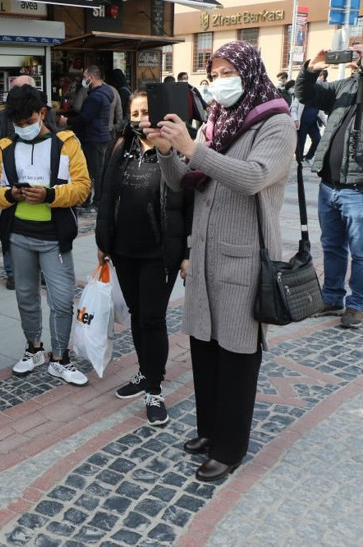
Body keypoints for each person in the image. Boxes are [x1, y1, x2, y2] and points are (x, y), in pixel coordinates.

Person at [143, 41, 296, 480]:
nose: (220, 80)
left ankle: (230, 448)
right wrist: (168, 149)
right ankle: (209, 431)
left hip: (245, 257)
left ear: (249, 72)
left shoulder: (276, 123)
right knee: (205, 349)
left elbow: (252, 178)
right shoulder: (217, 121)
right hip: (206, 253)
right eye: (215, 72)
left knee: (237, 355)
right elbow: (182, 183)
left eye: (229, 71)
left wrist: (193, 147)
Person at [96, 90, 193, 426]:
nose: (140, 119)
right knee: (137, 315)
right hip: (125, 249)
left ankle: (154, 387)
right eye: (135, 113)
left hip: (160, 252)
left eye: (146, 112)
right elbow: (106, 194)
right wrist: (103, 239)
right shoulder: (123, 146)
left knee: (152, 319)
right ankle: (144, 371)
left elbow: (193, 203)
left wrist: (188, 253)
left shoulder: (180, 149)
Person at [0, 85, 91, 385]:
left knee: (60, 300)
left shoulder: (66, 143)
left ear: (42, 114)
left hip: (55, 237)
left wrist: (49, 195)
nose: (23, 129)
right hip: (18, 235)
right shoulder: (6, 148)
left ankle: (60, 357)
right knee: (26, 297)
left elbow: (83, 187)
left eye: (28, 122)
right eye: (17, 124)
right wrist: (11, 194)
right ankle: (33, 348)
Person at [295, 47, 363, 328]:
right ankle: (332, 297)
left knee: (361, 252)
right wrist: (309, 71)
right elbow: (307, 95)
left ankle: (357, 304)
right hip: (329, 185)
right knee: (332, 245)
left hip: (358, 190)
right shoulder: (345, 85)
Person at [0, 74, 58, 291]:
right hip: (13, 191)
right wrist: (5, 161)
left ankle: (45, 270)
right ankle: (12, 273)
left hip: (47, 206)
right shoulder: (3, 117)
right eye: (17, 89)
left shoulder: (48, 114)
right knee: (10, 230)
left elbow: (54, 137)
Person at [62, 66, 113, 209]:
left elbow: (85, 118)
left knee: (95, 172)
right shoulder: (105, 93)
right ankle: (90, 200)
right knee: (95, 171)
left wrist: (67, 122)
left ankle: (96, 202)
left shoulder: (96, 96)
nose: (83, 79)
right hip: (100, 136)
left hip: (94, 137)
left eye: (85, 77)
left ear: (92, 77)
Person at [289, 94, 326, 165]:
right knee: (301, 142)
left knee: (317, 139)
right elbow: (293, 109)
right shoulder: (300, 96)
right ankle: (300, 159)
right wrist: (295, 119)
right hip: (302, 123)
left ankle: (309, 157)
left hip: (313, 124)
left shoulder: (319, 99)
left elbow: (321, 114)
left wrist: (327, 124)